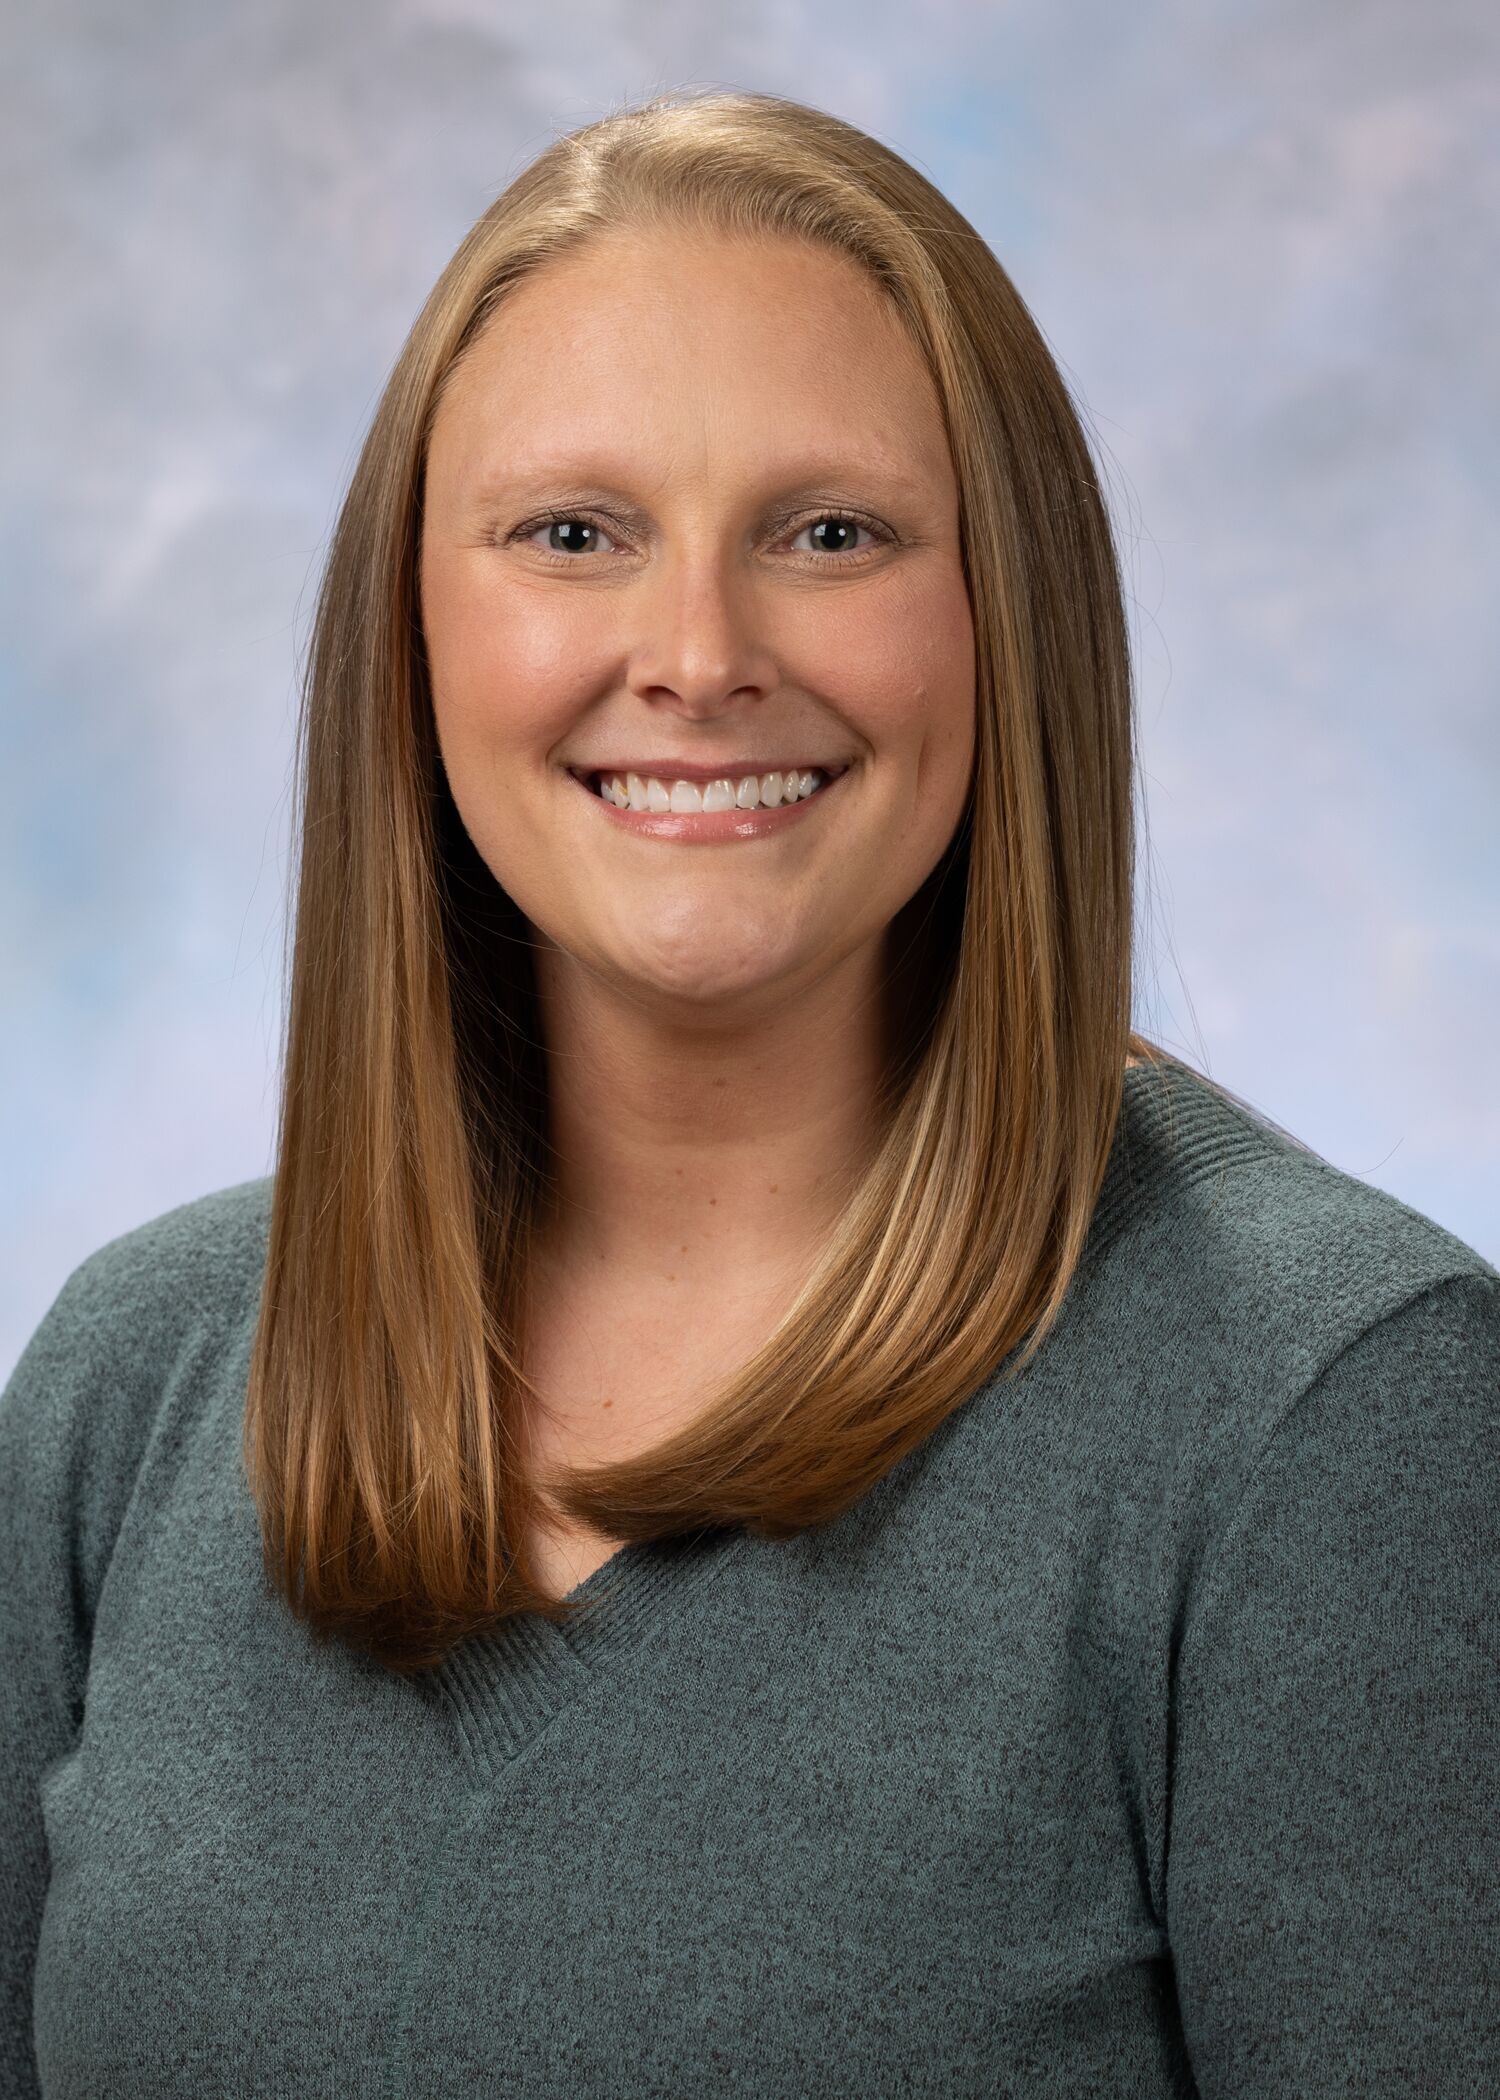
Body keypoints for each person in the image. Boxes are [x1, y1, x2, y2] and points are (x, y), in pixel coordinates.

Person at [3, 86, 1496, 2100]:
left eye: (831, 535)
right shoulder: (138, 1386)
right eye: (573, 535)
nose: (699, 655)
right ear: (411, 626)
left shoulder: (1338, 1418)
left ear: (1011, 613)